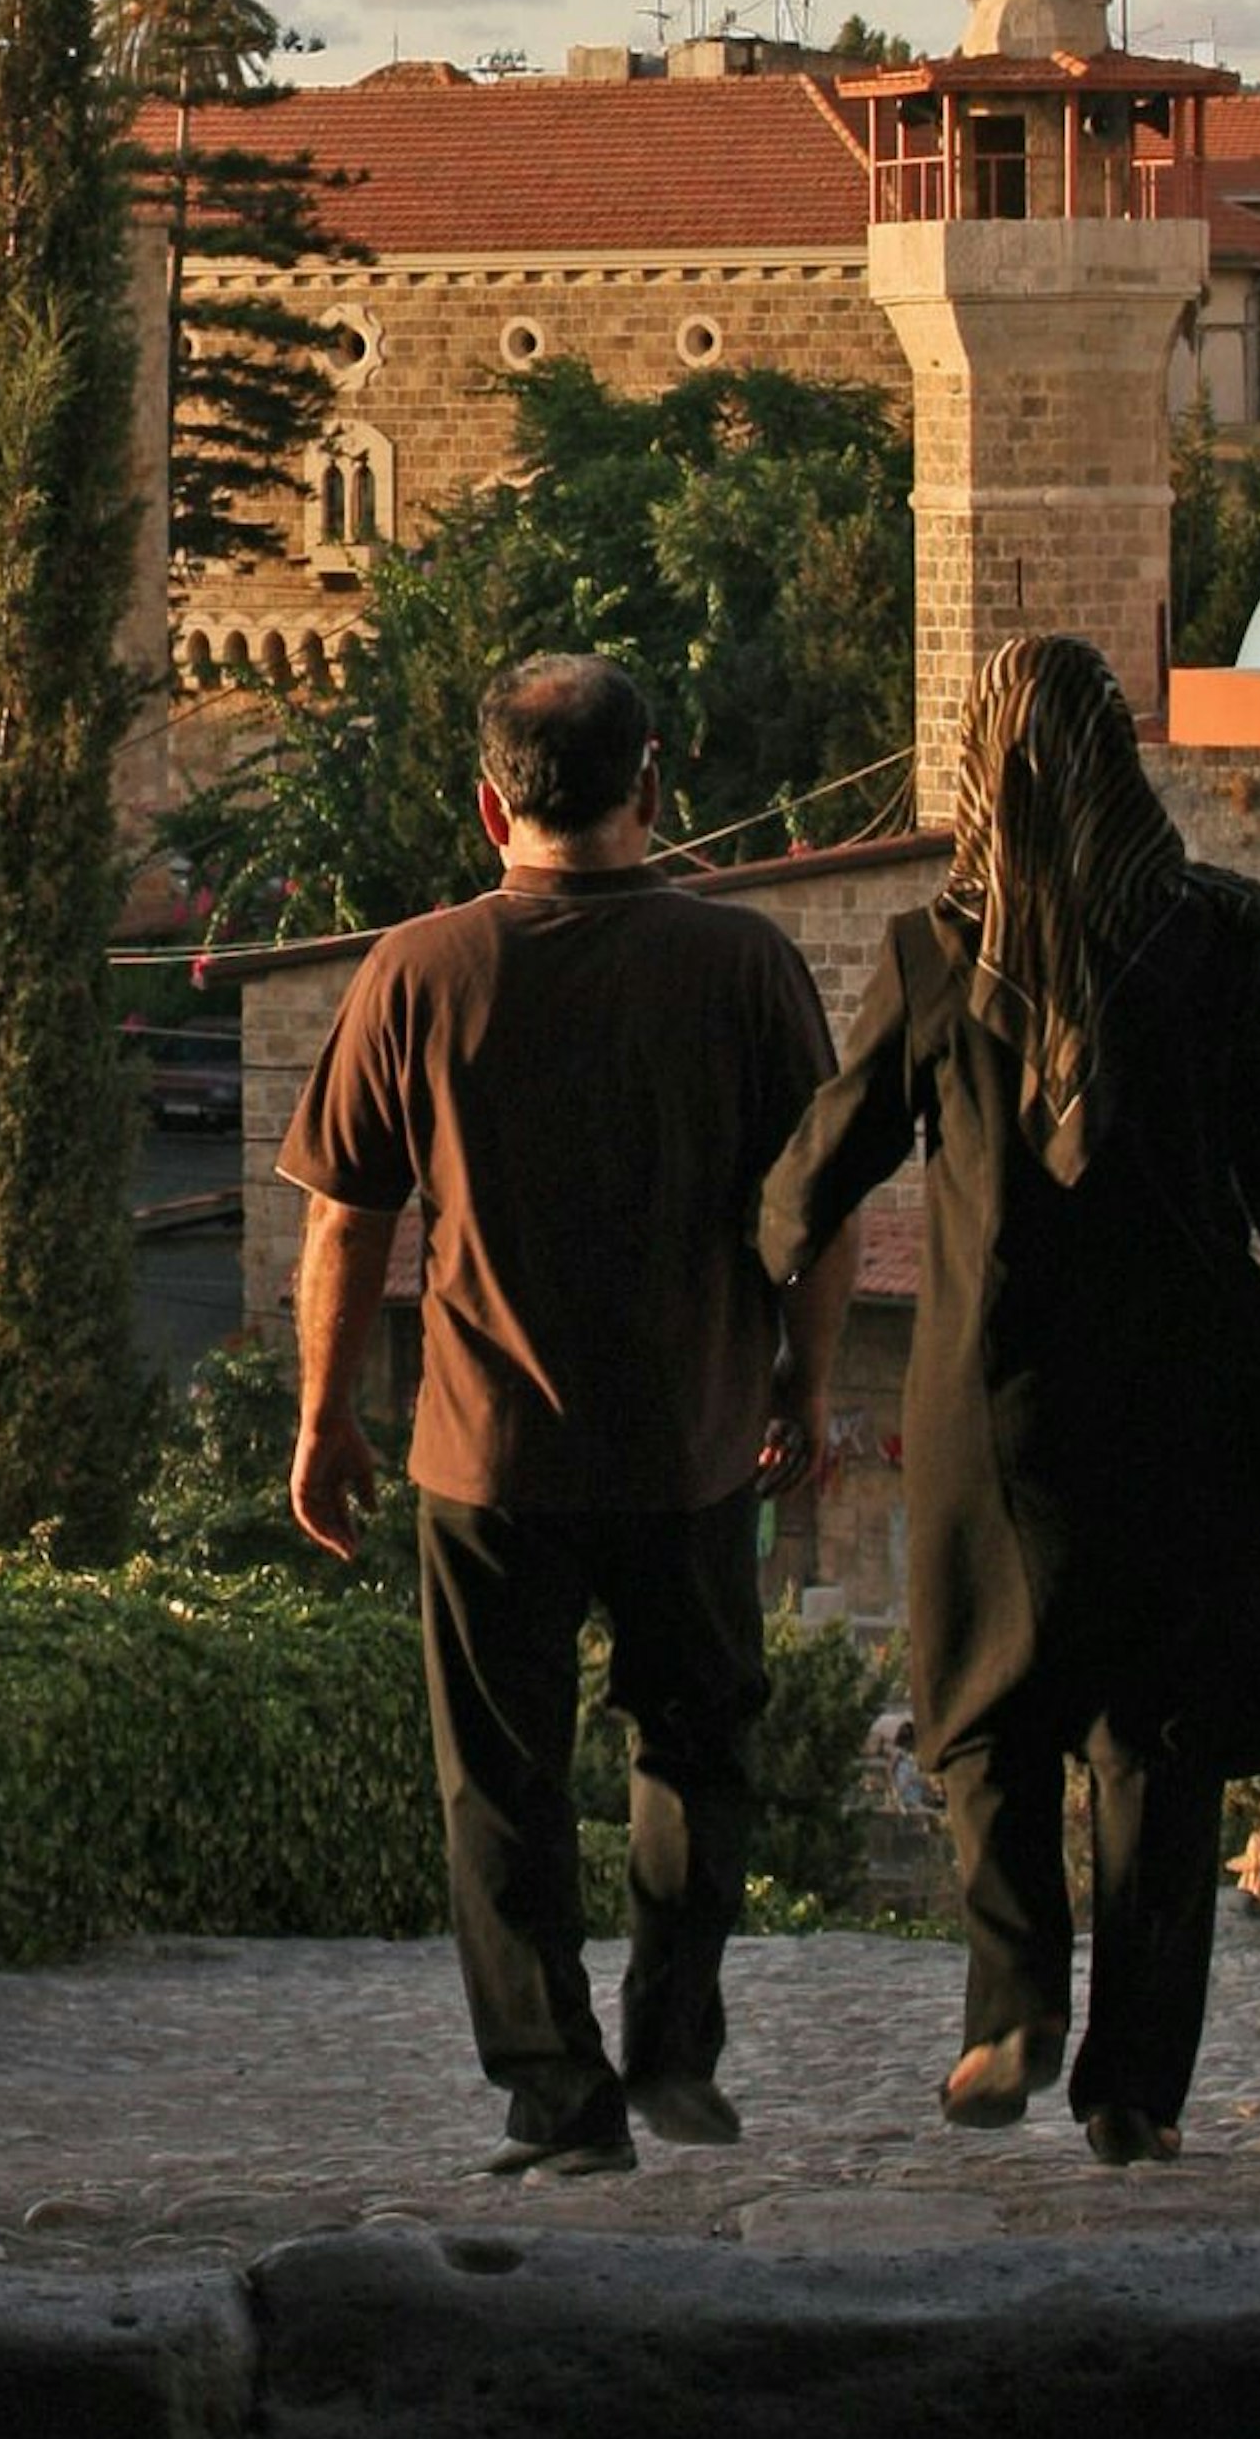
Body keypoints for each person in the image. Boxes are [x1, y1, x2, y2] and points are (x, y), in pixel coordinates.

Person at [759, 631, 1260, 2168]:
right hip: (1190, 1411)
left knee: (987, 1716)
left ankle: (1010, 2008)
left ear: (983, 775)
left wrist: (734, 1288)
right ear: (1120, 765)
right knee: (1159, 1750)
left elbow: (819, 1169)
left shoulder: (936, 962)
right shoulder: (1212, 944)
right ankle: (1133, 2085)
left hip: (999, 1413)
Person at [281, 649, 853, 2174]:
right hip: (690, 1445)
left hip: (485, 1455)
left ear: (490, 806)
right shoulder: (747, 969)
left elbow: (345, 1220)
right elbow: (819, 1209)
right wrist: (802, 1377)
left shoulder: (417, 971)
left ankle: (557, 2090)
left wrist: (323, 1420)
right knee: (695, 1749)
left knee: (501, 1780)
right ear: (650, 791)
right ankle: (672, 2044)